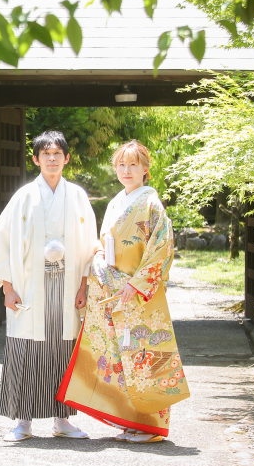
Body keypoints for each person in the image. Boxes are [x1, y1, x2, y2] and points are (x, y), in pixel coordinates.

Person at [56, 140, 190, 443]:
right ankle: (132, 420)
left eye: (133, 164)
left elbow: (161, 249)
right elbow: (104, 243)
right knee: (121, 356)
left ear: (146, 169)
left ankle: (151, 424)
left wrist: (137, 283)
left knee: (145, 354)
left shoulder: (151, 204)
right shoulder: (118, 201)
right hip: (116, 291)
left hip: (139, 293)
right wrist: (99, 260)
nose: (126, 170)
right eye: (121, 164)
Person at [0, 130, 98, 442]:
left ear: (66, 158)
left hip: (68, 283)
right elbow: (2, 242)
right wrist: (7, 288)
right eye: (45, 154)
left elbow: (89, 246)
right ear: (35, 159)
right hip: (30, 286)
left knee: (63, 349)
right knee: (27, 350)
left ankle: (63, 420)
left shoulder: (77, 197)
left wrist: (84, 285)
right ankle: (23, 422)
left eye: (57, 154)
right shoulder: (24, 197)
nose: (51, 159)